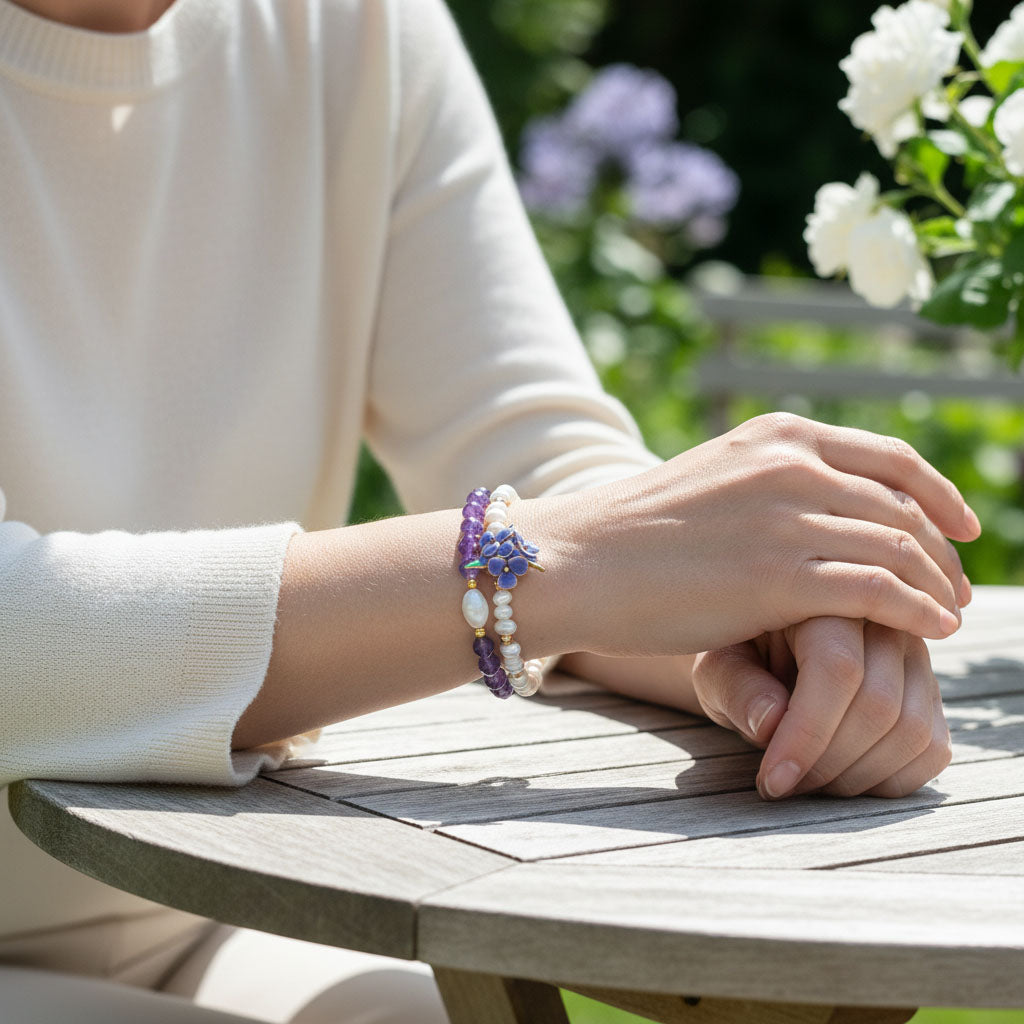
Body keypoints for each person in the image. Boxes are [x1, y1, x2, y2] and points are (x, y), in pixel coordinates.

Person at [0, 0, 978, 1020]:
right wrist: (535, 562)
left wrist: (750, 622)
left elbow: (525, 447)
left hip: (203, 909)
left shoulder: (351, 25)